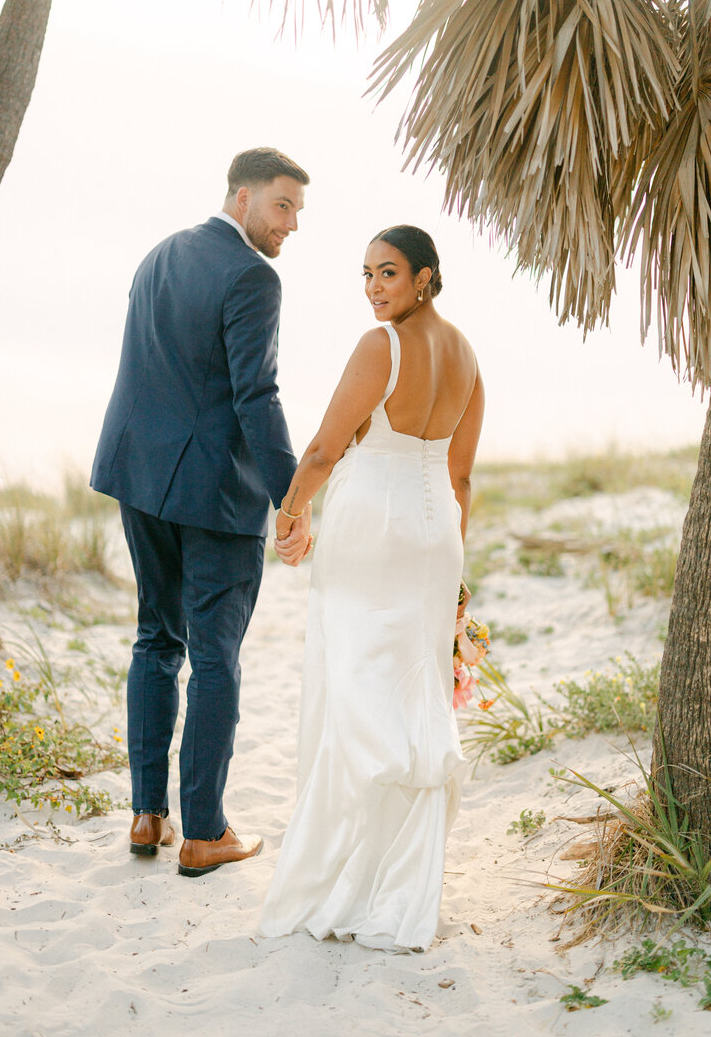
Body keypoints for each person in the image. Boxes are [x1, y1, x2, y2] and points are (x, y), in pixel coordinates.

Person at [259, 224, 484, 952]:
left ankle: (343, 882)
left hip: (372, 529)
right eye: (365, 274)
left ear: (425, 277)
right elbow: (461, 476)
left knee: (355, 688)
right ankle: (401, 885)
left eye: (388, 273)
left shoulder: (379, 347)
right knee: (412, 694)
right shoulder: (469, 357)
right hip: (435, 533)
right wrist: (455, 569)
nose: (373, 288)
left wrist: (290, 515)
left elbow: (325, 447)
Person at [90, 147, 311, 877]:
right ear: (241, 196)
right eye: (282, 206)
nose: (291, 225)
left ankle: (148, 814)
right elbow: (258, 396)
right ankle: (206, 832)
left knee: (156, 639)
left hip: (139, 476)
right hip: (213, 495)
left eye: (298, 212)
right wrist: (291, 494)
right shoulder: (253, 275)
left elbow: (154, 367)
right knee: (214, 655)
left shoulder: (159, 255)